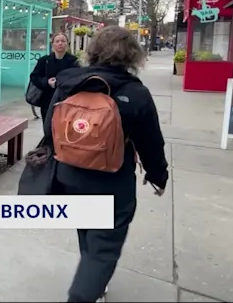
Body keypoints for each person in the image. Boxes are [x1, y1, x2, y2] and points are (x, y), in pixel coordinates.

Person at [42, 26, 169, 302]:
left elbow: (49, 125)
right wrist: (158, 176)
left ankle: (93, 280)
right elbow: (151, 142)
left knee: (87, 227)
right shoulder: (136, 93)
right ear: (132, 56)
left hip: (70, 176)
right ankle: (86, 291)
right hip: (112, 182)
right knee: (104, 247)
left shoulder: (69, 83)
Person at [29, 32, 80, 122]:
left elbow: (78, 79)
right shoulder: (44, 60)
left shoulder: (74, 61)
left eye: (63, 41)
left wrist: (61, 82)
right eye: (57, 41)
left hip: (66, 100)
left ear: (67, 44)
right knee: (48, 128)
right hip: (47, 101)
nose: (60, 43)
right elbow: (34, 77)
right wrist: (46, 82)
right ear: (52, 44)